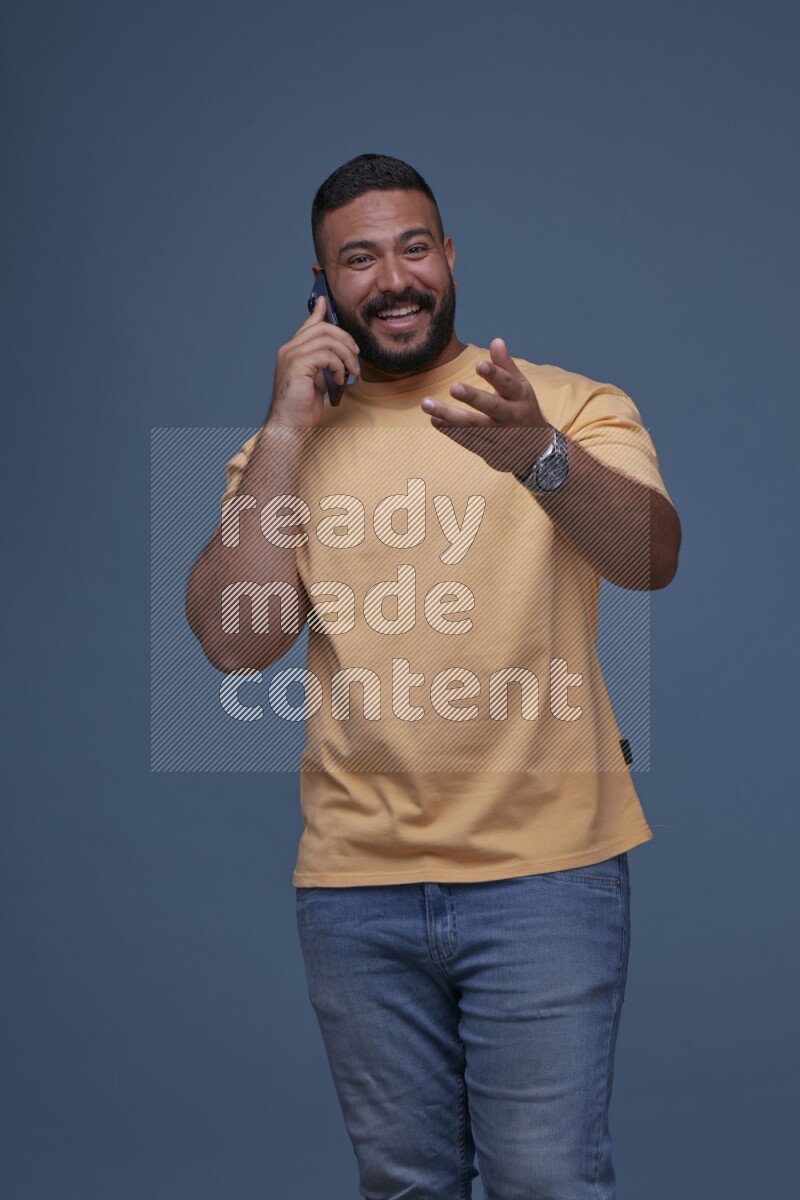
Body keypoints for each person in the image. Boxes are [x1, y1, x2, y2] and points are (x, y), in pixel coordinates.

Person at [186, 153, 681, 1199]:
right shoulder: (284, 452)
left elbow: (649, 560)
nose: (394, 276)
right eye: (358, 259)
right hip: (357, 887)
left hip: (547, 875)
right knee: (406, 1187)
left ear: (449, 256)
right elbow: (238, 640)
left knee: (544, 1182)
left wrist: (535, 456)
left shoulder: (561, 405)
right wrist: (283, 426)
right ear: (321, 288)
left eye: (413, 247)